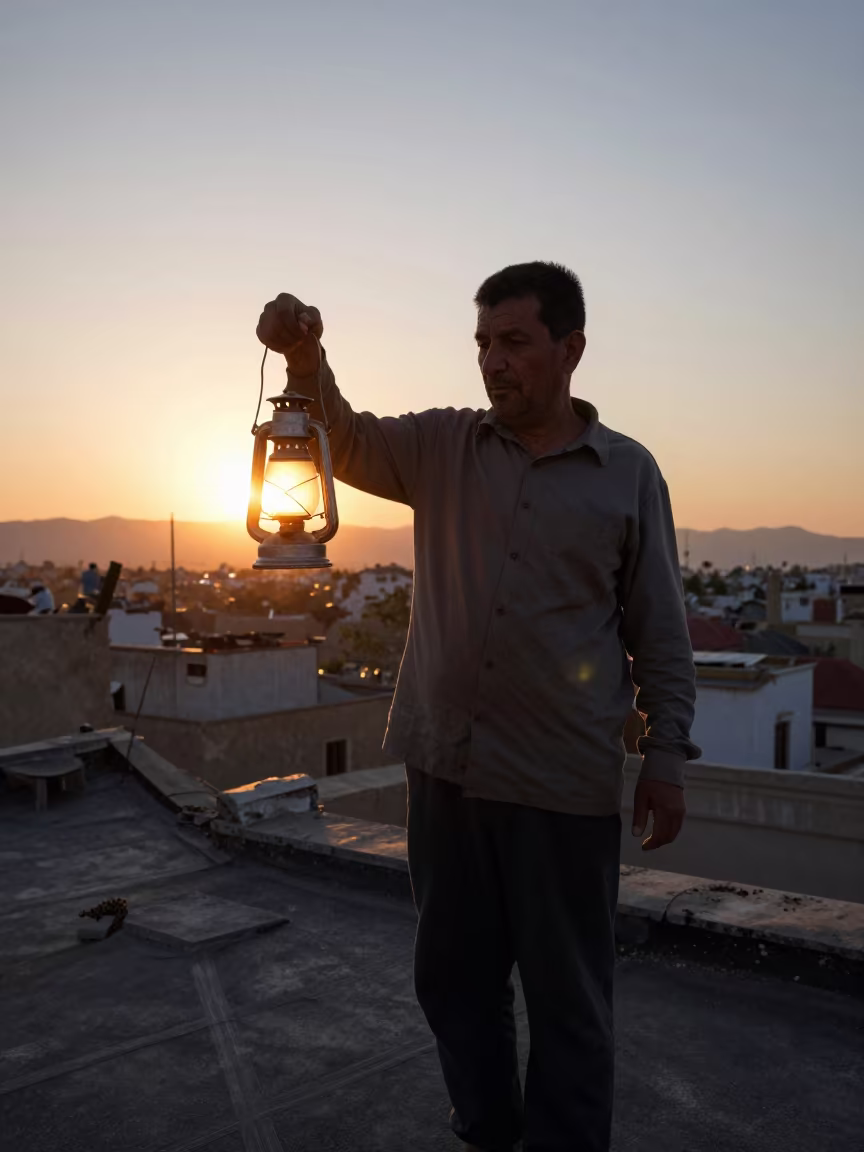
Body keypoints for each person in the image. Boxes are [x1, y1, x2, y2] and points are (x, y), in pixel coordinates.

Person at [256, 263, 700, 1152]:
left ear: (569, 350)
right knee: (454, 983)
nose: (494, 364)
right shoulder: (443, 447)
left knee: (571, 1002)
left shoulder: (626, 474)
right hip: (447, 772)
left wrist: (665, 754)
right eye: (483, 346)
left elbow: (660, 628)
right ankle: (489, 1131)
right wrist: (305, 359)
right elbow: (338, 440)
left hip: (560, 785)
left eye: (514, 343)